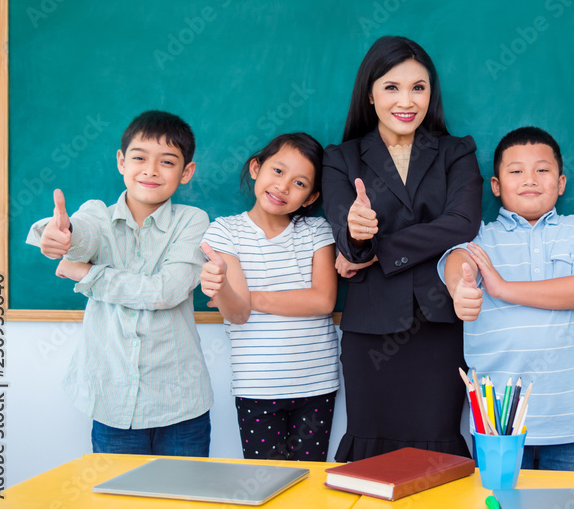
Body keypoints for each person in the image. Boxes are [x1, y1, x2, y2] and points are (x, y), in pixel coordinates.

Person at [321, 35, 482, 460]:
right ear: (370, 94)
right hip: (370, 331)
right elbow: (351, 249)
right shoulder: (341, 158)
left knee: (436, 453)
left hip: (439, 326)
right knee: (371, 458)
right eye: (391, 87)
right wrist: (357, 236)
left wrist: (381, 248)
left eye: (418, 87)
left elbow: (462, 224)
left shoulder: (455, 152)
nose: (406, 100)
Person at [25, 110, 213, 456]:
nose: (151, 170)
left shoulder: (192, 221)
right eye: (139, 157)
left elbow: (166, 292)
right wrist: (61, 237)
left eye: (167, 161)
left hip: (181, 405)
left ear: (187, 172)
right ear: (121, 161)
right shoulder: (97, 214)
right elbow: (80, 234)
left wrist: (88, 274)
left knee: (185, 504)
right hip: (112, 403)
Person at [439, 126, 574, 471]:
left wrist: (502, 288)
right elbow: (458, 262)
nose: (530, 179)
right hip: (497, 423)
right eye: (516, 171)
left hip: (571, 418)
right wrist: (461, 288)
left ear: (561, 182)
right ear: (496, 186)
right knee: (499, 506)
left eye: (542, 170)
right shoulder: (479, 235)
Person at [200, 132, 339, 461]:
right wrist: (223, 290)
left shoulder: (318, 230)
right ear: (255, 168)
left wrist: (249, 296)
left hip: (316, 384)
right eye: (277, 171)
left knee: (308, 485)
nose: (283, 186)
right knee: (266, 487)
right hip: (257, 387)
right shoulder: (224, 231)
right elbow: (237, 314)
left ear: (310, 197)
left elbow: (322, 301)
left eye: (300, 183)